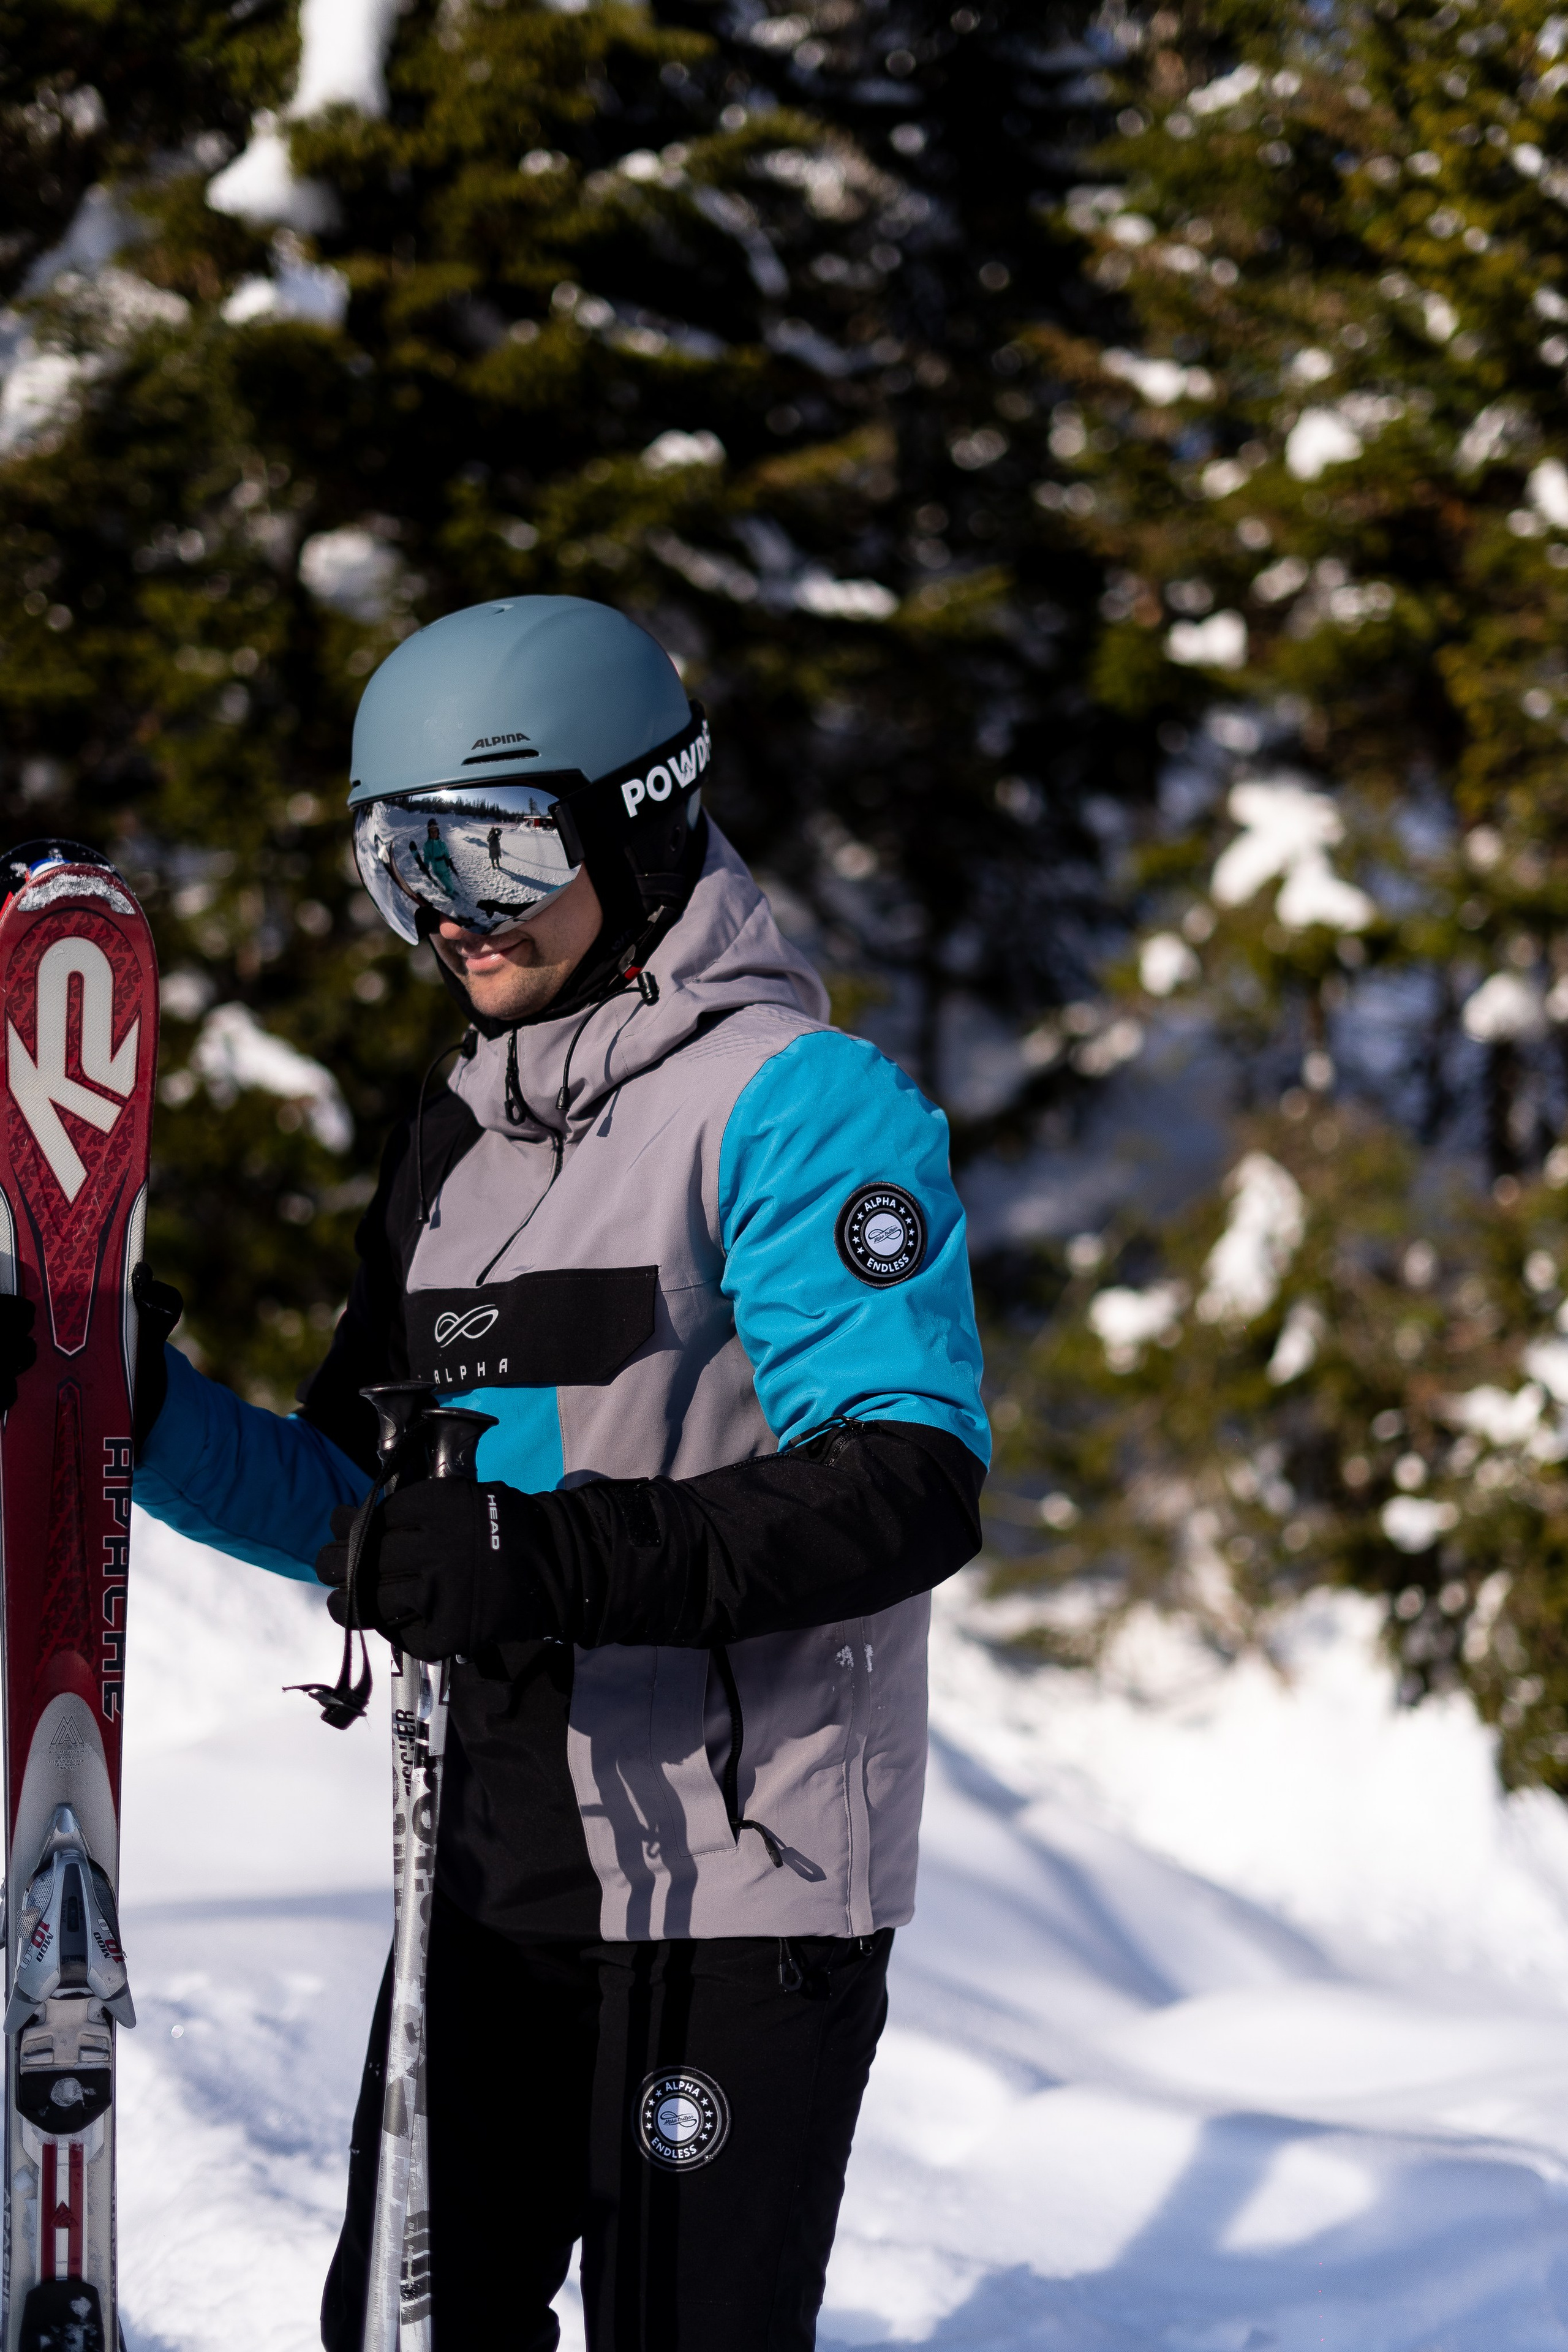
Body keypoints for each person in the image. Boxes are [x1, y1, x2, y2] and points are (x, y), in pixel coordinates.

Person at [119, 597, 989, 2350]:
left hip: (729, 1893)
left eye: (493, 851)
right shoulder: (459, 1131)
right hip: (486, 1864)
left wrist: (546, 1555)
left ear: (641, 812)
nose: (447, 912)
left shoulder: (801, 1106)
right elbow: (368, 1524)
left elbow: (908, 1479)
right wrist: (130, 1407)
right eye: (398, 862)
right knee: (410, 2327)